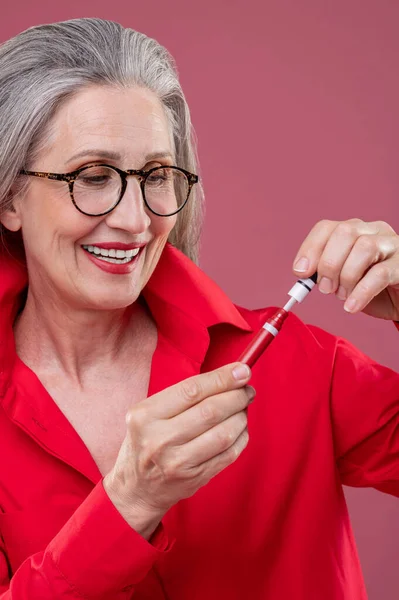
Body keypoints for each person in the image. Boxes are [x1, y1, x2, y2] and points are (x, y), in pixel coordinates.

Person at [0, 17, 398, 600]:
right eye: (92, 176)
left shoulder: (298, 364)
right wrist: (130, 503)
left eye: (157, 175)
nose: (136, 220)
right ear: (10, 197)